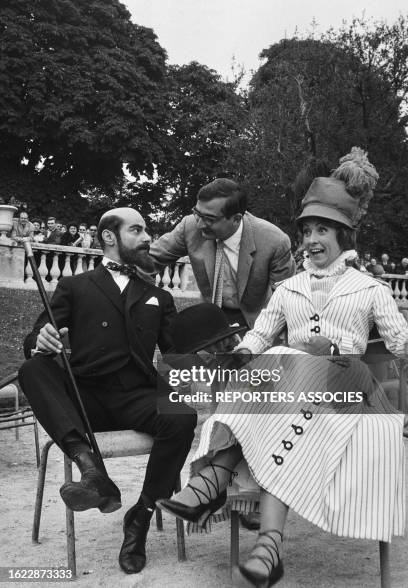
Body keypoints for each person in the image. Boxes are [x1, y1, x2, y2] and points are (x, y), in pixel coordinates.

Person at [157, 148, 408, 587]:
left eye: (322, 230)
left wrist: (334, 349)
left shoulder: (370, 289)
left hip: (351, 392)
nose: (311, 239)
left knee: (284, 360)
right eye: (307, 230)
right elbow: (259, 335)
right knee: (272, 367)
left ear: (344, 235)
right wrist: (237, 357)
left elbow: (401, 346)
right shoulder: (289, 289)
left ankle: (214, 477)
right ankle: (268, 549)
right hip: (298, 397)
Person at [18, 207, 197, 575]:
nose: (147, 237)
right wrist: (43, 338)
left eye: (147, 230)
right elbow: (36, 336)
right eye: (137, 230)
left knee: (182, 416)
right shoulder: (75, 286)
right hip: (85, 398)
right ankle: (92, 469)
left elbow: (178, 353)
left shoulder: (157, 296)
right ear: (109, 237)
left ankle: (140, 517)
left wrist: (207, 350)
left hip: (135, 394)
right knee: (33, 368)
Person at [149, 178, 296, 329]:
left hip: (257, 321)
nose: (199, 224)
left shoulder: (274, 241)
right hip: (211, 319)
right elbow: (150, 259)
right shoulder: (190, 226)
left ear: (236, 219)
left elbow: (287, 300)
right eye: (197, 213)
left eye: (209, 219)